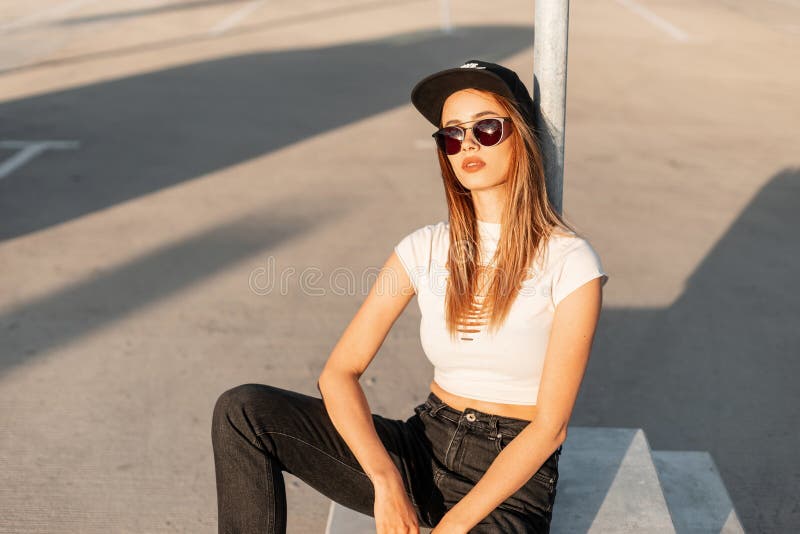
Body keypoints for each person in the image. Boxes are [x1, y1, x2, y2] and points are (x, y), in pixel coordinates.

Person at [211, 59, 608, 534]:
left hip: (510, 484)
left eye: (486, 128)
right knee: (244, 411)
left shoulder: (570, 260)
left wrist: (452, 526)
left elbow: (550, 428)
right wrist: (386, 481)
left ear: (520, 135)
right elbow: (339, 373)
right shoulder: (424, 247)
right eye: (452, 135)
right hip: (423, 445)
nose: (467, 146)